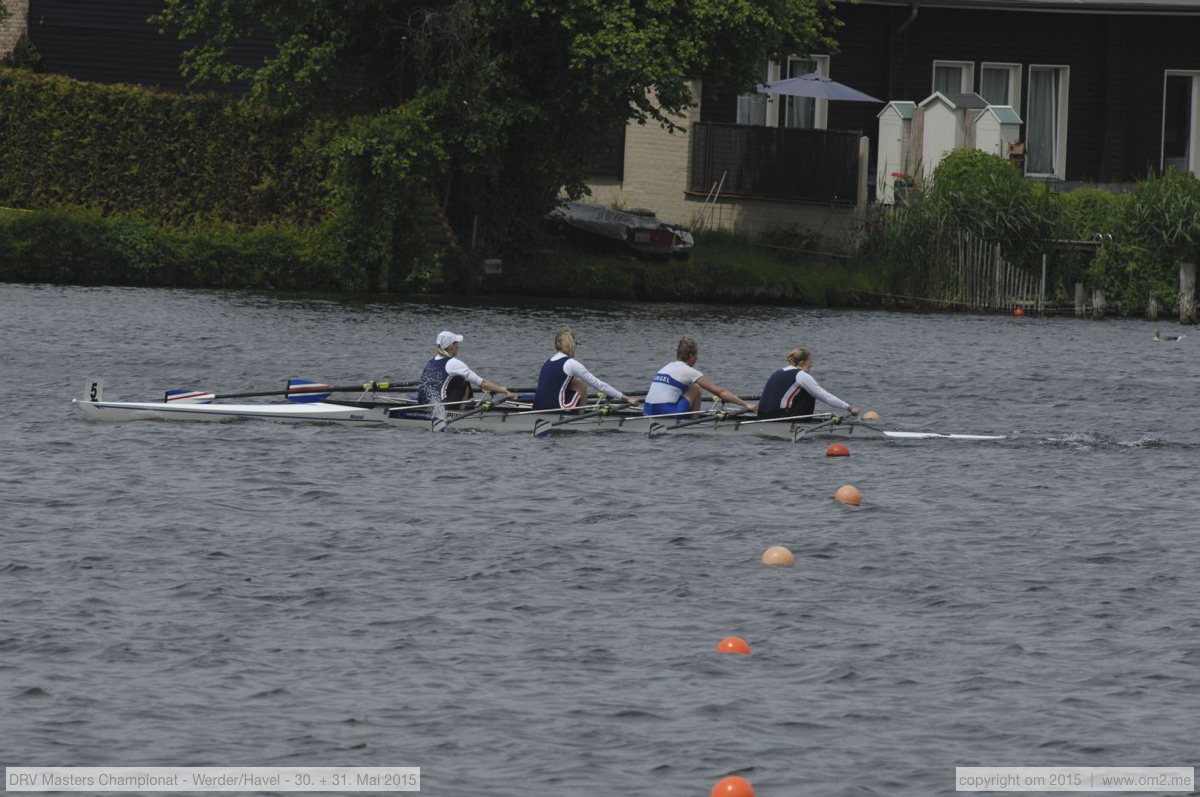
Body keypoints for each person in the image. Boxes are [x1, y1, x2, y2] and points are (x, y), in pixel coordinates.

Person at [532, 328, 642, 411]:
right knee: (582, 386)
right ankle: (582, 415)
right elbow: (599, 385)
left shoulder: (547, 362)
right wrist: (627, 398)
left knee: (575, 381)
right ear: (571, 345)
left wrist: (611, 393)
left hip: (536, 407)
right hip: (557, 408)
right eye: (576, 344)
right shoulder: (571, 363)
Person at [643, 336, 756, 416]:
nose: (697, 358)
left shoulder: (665, 367)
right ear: (691, 355)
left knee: (685, 387)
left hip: (647, 411)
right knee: (696, 388)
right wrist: (746, 404)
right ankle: (692, 425)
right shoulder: (689, 371)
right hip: (665, 413)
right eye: (696, 355)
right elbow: (721, 393)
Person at [757, 348, 859, 420]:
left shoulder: (779, 371)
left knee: (801, 390)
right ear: (802, 363)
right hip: (777, 417)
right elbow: (825, 396)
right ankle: (805, 422)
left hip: (761, 414)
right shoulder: (801, 375)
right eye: (810, 362)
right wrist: (849, 407)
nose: (811, 365)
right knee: (810, 393)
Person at [416, 330, 509, 408]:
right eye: (457, 343)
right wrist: (506, 392)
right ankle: (460, 412)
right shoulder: (453, 363)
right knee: (463, 380)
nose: (458, 346)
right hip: (440, 409)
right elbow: (483, 384)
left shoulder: (430, 361)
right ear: (452, 346)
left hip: (423, 405)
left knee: (453, 380)